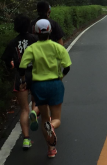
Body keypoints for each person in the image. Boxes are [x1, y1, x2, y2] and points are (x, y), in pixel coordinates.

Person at [19, 19, 72, 158]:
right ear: (50, 31)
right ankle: (53, 127)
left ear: (35, 32)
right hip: (55, 83)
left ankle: (50, 149)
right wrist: (60, 77)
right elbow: (67, 66)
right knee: (56, 118)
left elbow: (22, 67)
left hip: (38, 86)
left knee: (44, 119)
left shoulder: (31, 48)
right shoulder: (57, 47)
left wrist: (24, 81)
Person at [1, 14, 39, 149]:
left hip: (20, 77)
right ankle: (35, 112)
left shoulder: (13, 42)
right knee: (37, 101)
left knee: (23, 109)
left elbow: (5, 59)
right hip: (35, 74)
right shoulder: (35, 39)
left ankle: (26, 140)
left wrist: (11, 66)